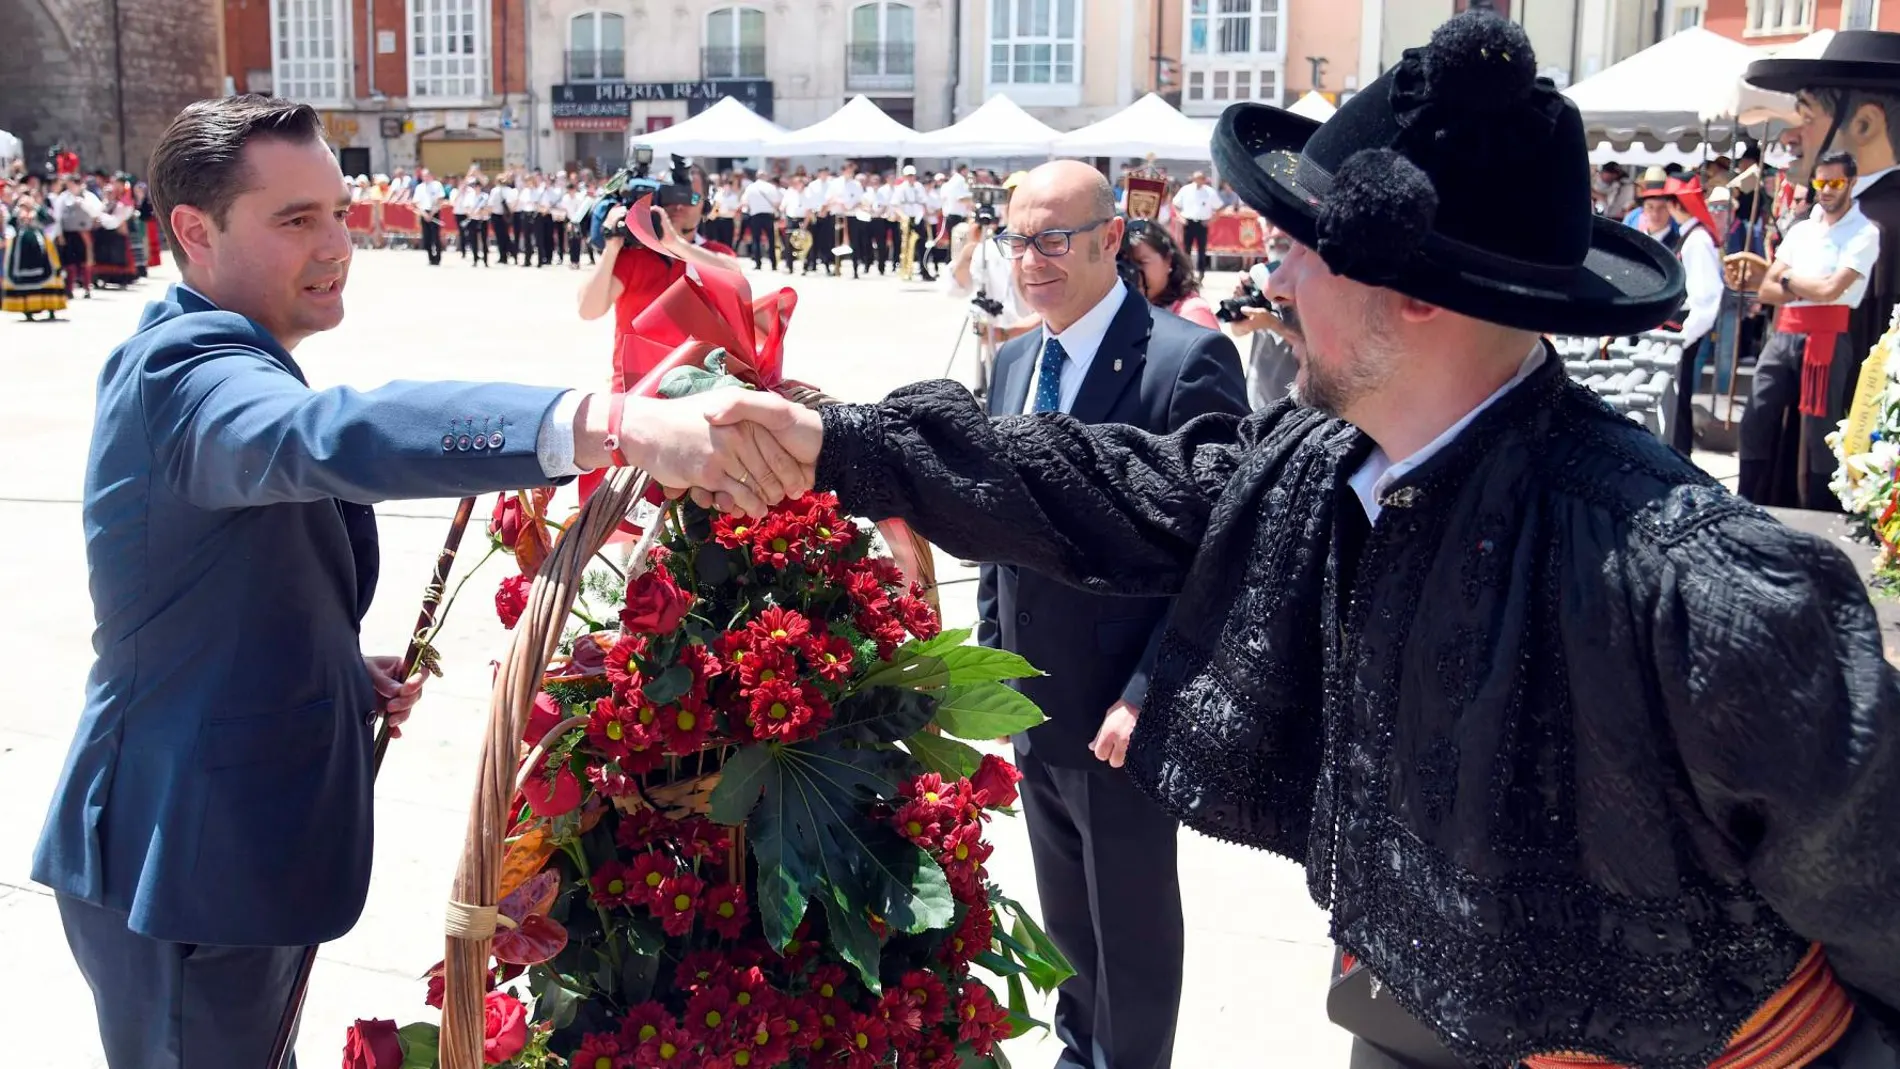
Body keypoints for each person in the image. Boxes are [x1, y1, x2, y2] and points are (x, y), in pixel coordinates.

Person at [693, 13, 1900, 1069]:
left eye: (1298, 244)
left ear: (1413, 293)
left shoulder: (1702, 587)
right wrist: (833, 444)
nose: (1270, 276)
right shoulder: (1322, 465)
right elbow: (1105, 482)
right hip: (1401, 1013)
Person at [29, 94, 802, 1069]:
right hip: (178, 859)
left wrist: (335, 668)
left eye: (340, 212)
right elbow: (328, 438)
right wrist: (600, 422)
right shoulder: (190, 370)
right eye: (295, 219)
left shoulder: (225, 354)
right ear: (195, 230)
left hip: (220, 847)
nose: (337, 245)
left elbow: (209, 587)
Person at [971, 160, 1248, 1069]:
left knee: (1128, 928)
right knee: (1066, 924)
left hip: (1126, 711)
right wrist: (991, 660)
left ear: (1109, 240)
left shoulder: (1184, 360)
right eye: (1017, 240)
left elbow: (1219, 556)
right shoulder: (1014, 360)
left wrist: (1149, 691)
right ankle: (1077, 1052)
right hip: (1034, 703)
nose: (1032, 260)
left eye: (1053, 239)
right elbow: (998, 519)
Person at [1747, 31, 1900, 500]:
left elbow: (1836, 294)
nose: (1793, 136)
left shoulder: (1885, 220)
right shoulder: (1818, 217)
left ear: (1866, 125)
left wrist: (1788, 282)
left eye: (1808, 118)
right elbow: (1776, 288)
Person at [1740, 152, 1882, 509]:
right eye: (1821, 182)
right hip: (1785, 332)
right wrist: (1800, 284)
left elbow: (1831, 290)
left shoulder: (1864, 231)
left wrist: (1787, 279)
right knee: (1756, 413)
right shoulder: (1802, 229)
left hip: (1827, 337)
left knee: (1822, 431)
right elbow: (1766, 289)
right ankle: (1744, 497)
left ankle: (1821, 510)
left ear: (1850, 182)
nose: (1826, 190)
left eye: (1834, 182)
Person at [576, 166, 742, 389]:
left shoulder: (714, 253)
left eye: (690, 196)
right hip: (635, 388)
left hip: (699, 387)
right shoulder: (634, 257)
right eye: (670, 195)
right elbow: (588, 310)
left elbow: (734, 277)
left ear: (706, 204)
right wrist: (611, 247)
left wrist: (675, 244)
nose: (679, 205)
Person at [1656, 175, 1723, 455]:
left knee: (1678, 402)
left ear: (1674, 204)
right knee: (1673, 401)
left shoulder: (1696, 241)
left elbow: (1707, 296)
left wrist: (1683, 337)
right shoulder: (1690, 236)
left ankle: (1680, 458)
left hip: (1682, 334)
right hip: (1678, 333)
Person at [1122, 219, 1217, 328]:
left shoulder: (1191, 316)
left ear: (1168, 260)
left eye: (1141, 262)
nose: (1131, 271)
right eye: (1125, 263)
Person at [2, 190, 67, 320]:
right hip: (21, 249)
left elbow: (50, 220)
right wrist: (18, 211)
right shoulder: (17, 214)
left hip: (41, 246)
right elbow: (10, 223)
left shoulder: (38, 211)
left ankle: (51, 306)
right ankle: (28, 309)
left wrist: (36, 207)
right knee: (23, 279)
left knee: (50, 273)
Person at [1170, 171, 1222, 272]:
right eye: (1198, 179)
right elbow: (1175, 204)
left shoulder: (1210, 192)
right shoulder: (1186, 190)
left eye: (1202, 179)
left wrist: (1211, 220)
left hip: (1202, 224)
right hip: (1188, 223)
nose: (1200, 181)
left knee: (1201, 250)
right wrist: (1180, 217)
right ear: (1194, 179)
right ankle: (1186, 272)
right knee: (1186, 249)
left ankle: (1201, 272)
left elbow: (1219, 207)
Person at [740, 168, 781, 271]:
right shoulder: (771, 187)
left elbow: (744, 202)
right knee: (771, 240)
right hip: (768, 216)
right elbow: (777, 203)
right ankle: (773, 264)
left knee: (756, 240)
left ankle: (758, 263)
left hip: (755, 216)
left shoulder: (750, 187)